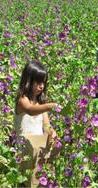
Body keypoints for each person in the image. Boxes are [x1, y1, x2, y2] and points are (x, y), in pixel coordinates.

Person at [14, 59, 60, 188]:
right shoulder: (22, 100)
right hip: (24, 150)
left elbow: (47, 126)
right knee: (24, 181)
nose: (42, 86)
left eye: (44, 83)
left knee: (38, 181)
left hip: (37, 149)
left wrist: (53, 134)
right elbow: (30, 110)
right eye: (38, 82)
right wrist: (50, 106)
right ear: (28, 80)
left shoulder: (41, 105)